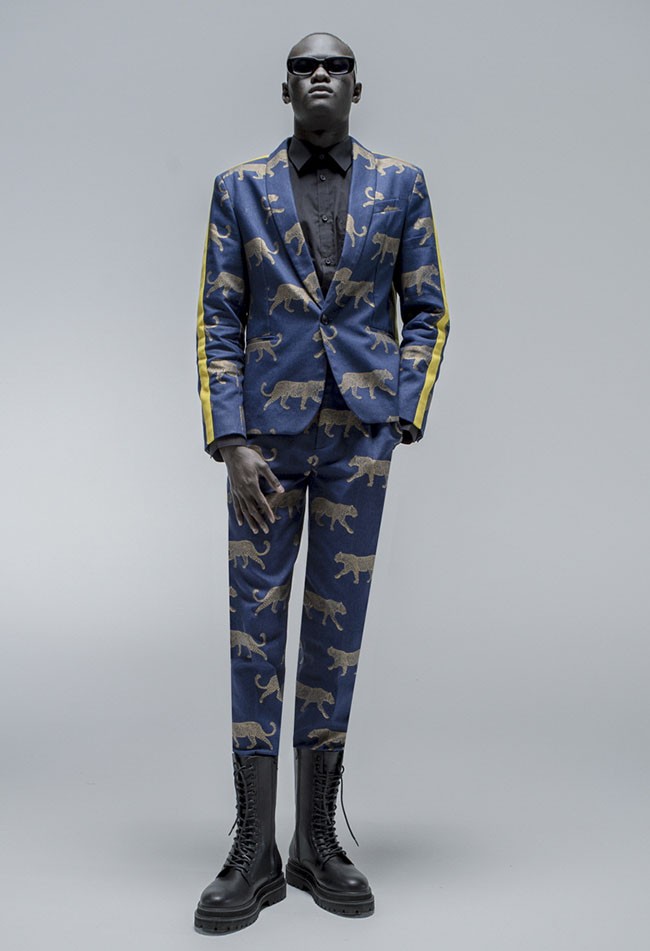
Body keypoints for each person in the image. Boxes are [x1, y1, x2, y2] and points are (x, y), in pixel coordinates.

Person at [193, 31, 450, 934]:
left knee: (336, 635)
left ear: (356, 87)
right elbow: (218, 317)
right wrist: (231, 440)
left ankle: (314, 841)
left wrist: (399, 413)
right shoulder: (239, 189)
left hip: (357, 441)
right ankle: (252, 848)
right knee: (254, 631)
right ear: (285, 88)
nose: (319, 76)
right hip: (263, 446)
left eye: (334, 66)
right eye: (304, 66)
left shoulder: (401, 185)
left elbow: (429, 309)